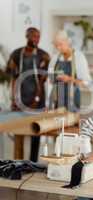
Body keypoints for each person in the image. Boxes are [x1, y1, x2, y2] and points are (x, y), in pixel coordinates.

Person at [6, 27, 50, 162]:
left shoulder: (44, 56)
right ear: (27, 36)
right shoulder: (16, 54)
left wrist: (36, 99)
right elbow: (13, 78)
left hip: (37, 99)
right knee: (19, 130)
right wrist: (14, 99)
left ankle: (33, 163)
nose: (36, 39)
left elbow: (42, 80)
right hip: (20, 97)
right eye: (33, 36)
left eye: (38, 37)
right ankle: (18, 163)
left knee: (35, 131)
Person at [46, 30, 91, 112]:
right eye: (56, 46)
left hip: (72, 99)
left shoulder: (79, 57)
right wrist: (47, 103)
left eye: (60, 45)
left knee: (71, 123)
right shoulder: (55, 58)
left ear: (68, 42)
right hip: (57, 99)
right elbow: (49, 81)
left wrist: (69, 79)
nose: (58, 48)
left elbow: (86, 82)